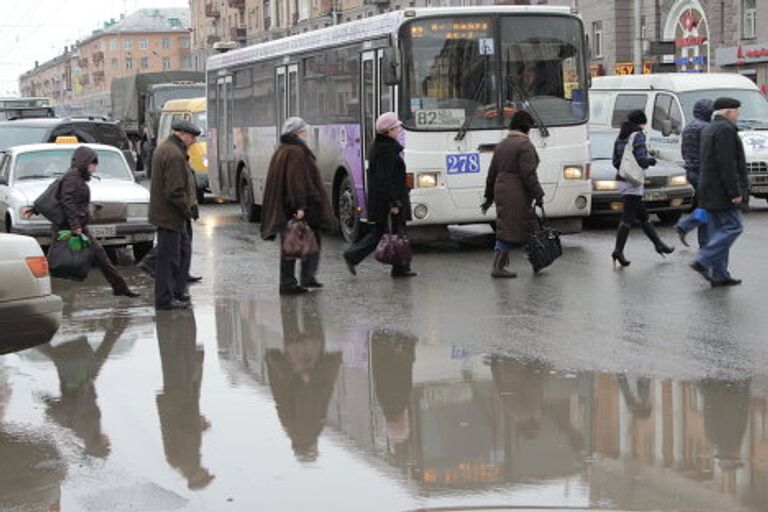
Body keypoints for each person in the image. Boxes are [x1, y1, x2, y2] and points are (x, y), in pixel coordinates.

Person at [23, 146, 139, 297]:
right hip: (67, 227)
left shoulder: (76, 177)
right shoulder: (72, 177)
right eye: (93, 163)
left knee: (100, 256)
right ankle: (36, 289)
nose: (95, 167)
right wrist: (76, 226)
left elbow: (59, 196)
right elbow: (67, 201)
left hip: (74, 226)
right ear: (84, 162)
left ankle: (120, 287)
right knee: (53, 261)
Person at [261, 117, 334, 295]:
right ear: (297, 133)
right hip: (299, 206)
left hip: (287, 205)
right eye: (303, 130)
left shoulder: (283, 150)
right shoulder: (295, 152)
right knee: (301, 241)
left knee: (292, 243)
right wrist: (299, 206)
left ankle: (300, 279)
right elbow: (296, 181)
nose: (306, 133)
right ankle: (292, 282)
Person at [266, 297, 341, 462]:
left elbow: (307, 404)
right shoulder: (291, 429)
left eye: (314, 452)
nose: (316, 448)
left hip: (306, 370)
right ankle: (293, 300)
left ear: (307, 448)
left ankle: (306, 299)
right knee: (293, 330)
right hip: (296, 368)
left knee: (312, 330)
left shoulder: (305, 432)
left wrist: (306, 382)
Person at [343, 112, 416, 278]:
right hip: (388, 201)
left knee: (395, 232)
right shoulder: (385, 150)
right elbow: (385, 180)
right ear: (388, 130)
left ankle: (400, 268)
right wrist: (394, 202)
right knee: (382, 233)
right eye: (396, 127)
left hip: (388, 199)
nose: (399, 129)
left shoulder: (385, 146)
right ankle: (352, 256)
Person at [691, 97, 749, 287]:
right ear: (729, 112)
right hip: (722, 192)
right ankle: (703, 260)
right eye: (736, 111)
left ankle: (719, 275)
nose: (738, 115)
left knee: (719, 233)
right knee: (734, 227)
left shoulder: (710, 128)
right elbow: (727, 164)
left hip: (709, 189)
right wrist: (735, 192)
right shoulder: (725, 130)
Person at [156, 309, 215, 490]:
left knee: (183, 364)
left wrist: (198, 424)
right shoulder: (182, 463)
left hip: (180, 399)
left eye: (205, 476)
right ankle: (178, 329)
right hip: (176, 401)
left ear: (197, 478)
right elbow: (184, 429)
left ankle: (177, 327)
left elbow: (185, 428)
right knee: (180, 363)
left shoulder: (188, 461)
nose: (207, 471)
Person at [481, 110, 544, 278]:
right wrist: (539, 193)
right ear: (527, 127)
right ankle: (499, 266)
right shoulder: (524, 145)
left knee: (518, 227)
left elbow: (491, 174)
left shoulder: (502, 144)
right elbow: (528, 174)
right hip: (516, 192)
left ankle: (535, 260)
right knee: (511, 229)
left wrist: (488, 197)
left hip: (502, 190)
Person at [611, 110, 674, 267]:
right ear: (642, 122)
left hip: (623, 179)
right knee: (627, 218)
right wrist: (651, 160)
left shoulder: (621, 136)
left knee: (644, 217)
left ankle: (659, 244)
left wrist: (625, 170)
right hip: (633, 182)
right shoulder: (637, 135)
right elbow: (641, 160)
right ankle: (618, 251)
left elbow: (615, 161)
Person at [149, 119, 199, 310]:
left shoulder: (166, 148)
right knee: (168, 260)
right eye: (192, 137)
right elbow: (175, 191)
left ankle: (174, 293)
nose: (194, 141)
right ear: (182, 134)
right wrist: (188, 209)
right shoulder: (175, 155)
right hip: (171, 216)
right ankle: (164, 299)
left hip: (167, 215)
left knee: (176, 255)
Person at [138, 163, 202, 286]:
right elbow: (179, 188)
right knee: (175, 241)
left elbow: (189, 186)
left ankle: (183, 272)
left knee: (184, 241)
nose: (194, 142)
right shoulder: (176, 158)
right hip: (180, 208)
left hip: (184, 206)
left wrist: (193, 203)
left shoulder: (182, 158)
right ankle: (150, 261)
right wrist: (190, 206)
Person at [675, 99, 714, 248]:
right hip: (703, 173)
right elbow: (708, 153)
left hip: (691, 171)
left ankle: (703, 242)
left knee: (705, 206)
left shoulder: (689, 127)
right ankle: (685, 227)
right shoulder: (705, 128)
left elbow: (684, 151)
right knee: (708, 207)